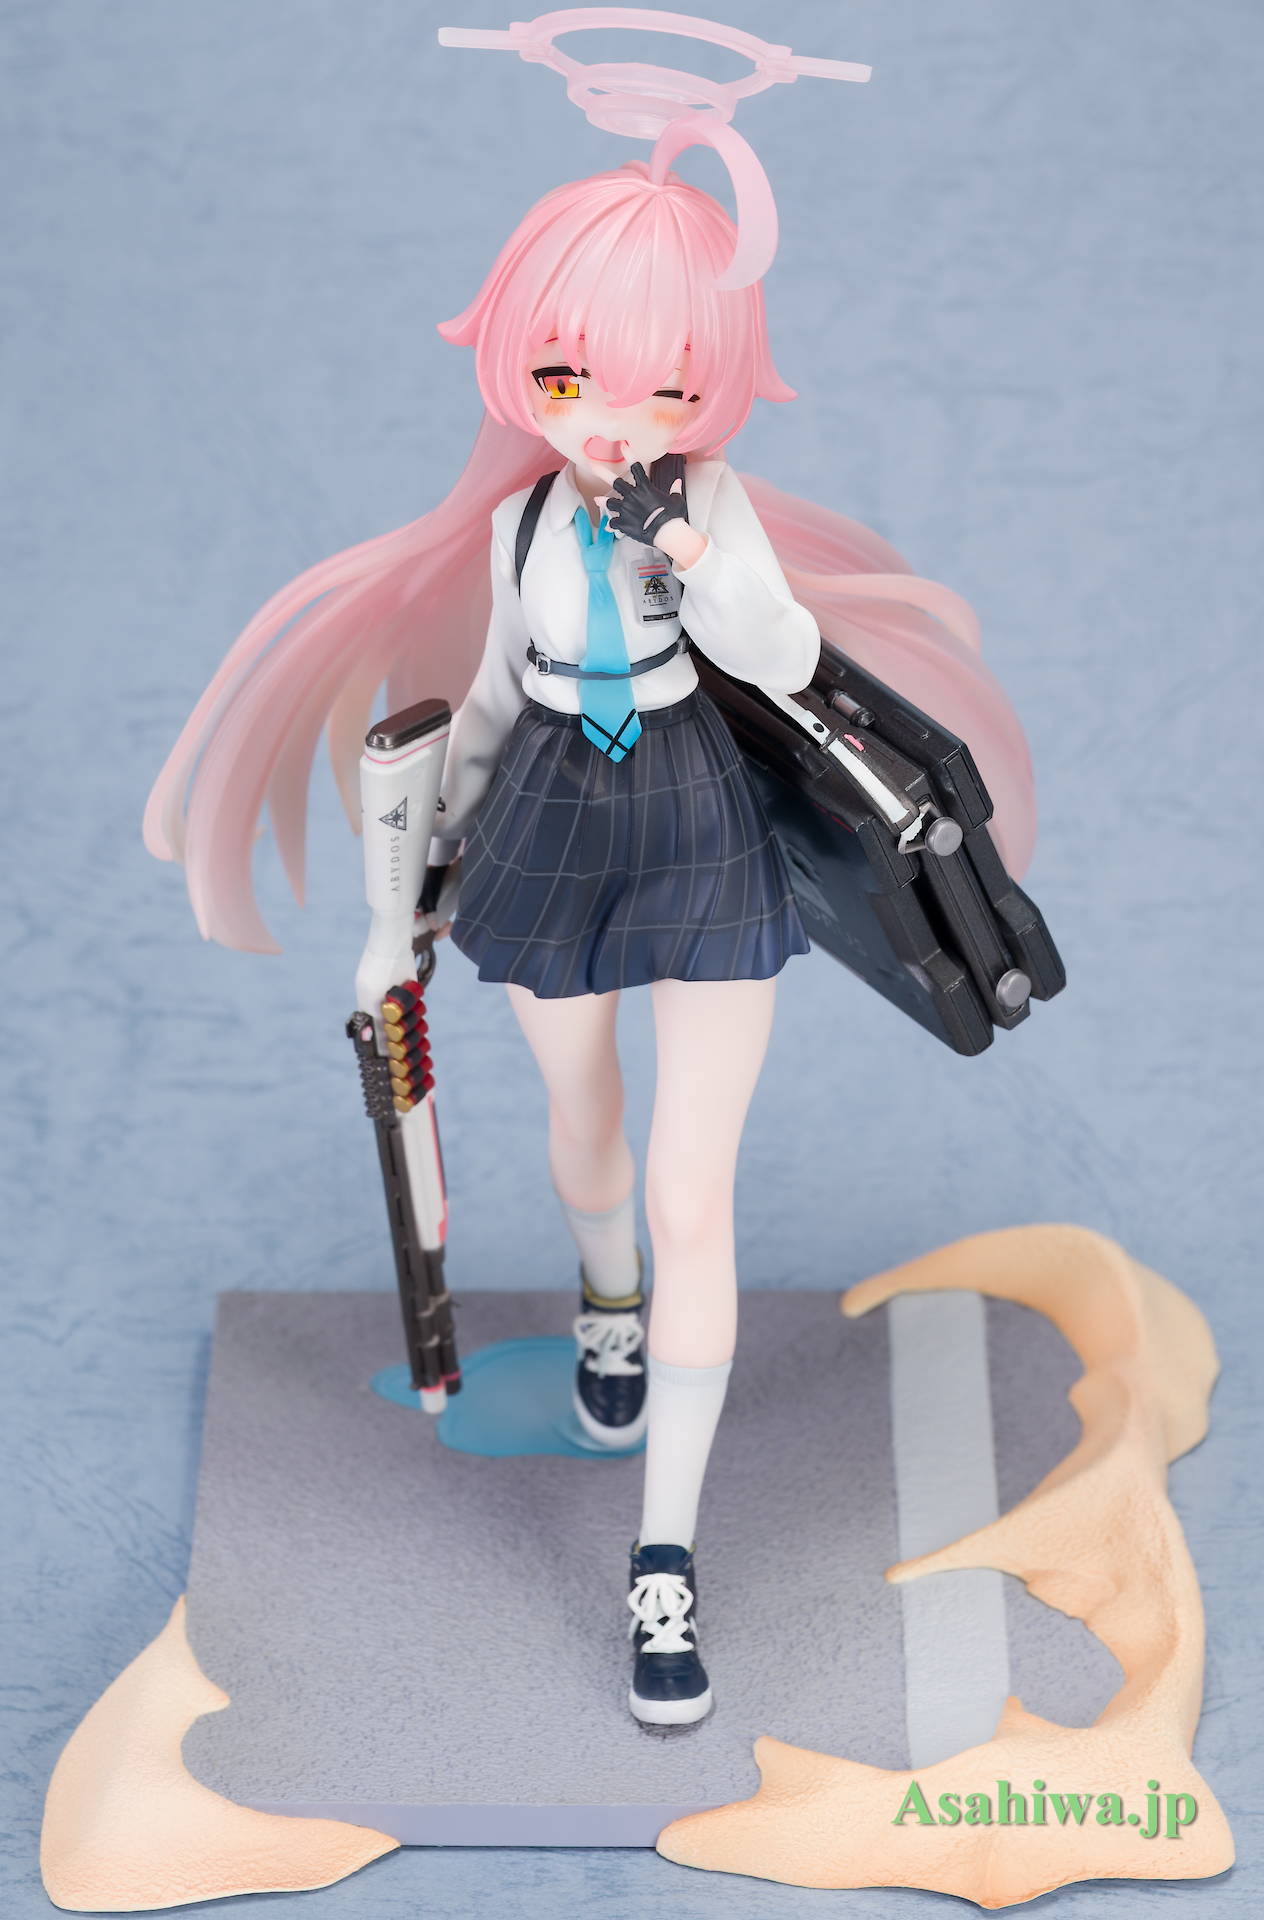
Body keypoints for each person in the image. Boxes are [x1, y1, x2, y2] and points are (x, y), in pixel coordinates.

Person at [146, 117, 1035, 1728]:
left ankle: (663, 1559)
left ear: (711, 387)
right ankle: (606, 1302)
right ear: (523, 372)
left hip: (696, 814)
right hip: (553, 812)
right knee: (586, 1136)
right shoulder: (523, 530)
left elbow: (779, 651)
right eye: (570, 377)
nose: (613, 416)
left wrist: (681, 540)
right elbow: (491, 707)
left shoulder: (710, 508)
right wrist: (403, 903)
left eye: (663, 386)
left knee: (697, 1192)